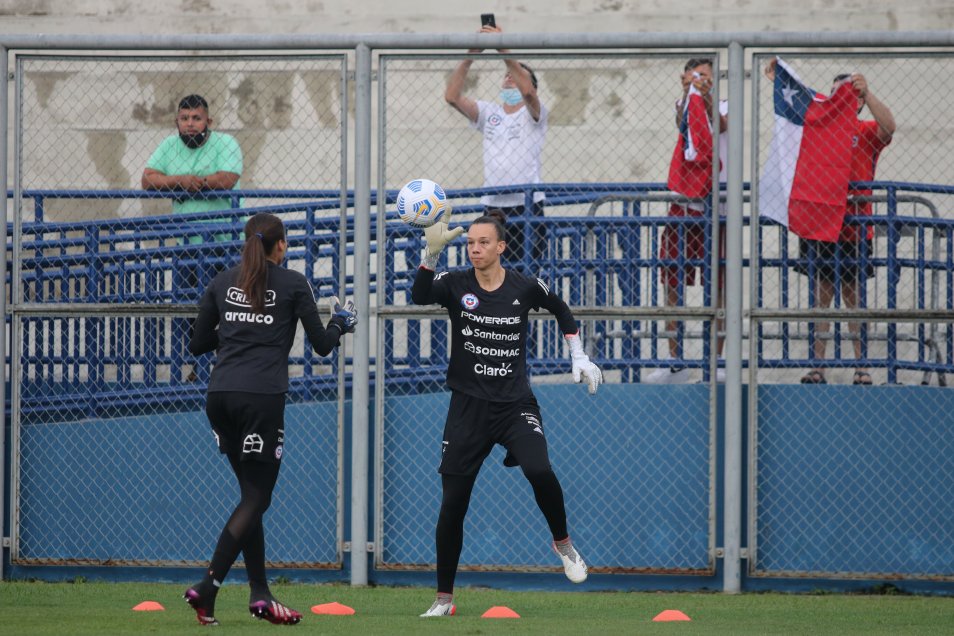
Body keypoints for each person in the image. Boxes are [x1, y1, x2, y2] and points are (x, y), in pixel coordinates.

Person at [411, 208, 602, 617]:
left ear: (501, 246)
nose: (475, 249)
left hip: (514, 405)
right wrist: (430, 255)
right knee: (453, 504)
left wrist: (579, 355)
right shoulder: (456, 282)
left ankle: (563, 543)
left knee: (540, 470)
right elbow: (419, 295)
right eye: (470, 243)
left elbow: (561, 309)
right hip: (467, 408)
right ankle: (444, 598)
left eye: (483, 243)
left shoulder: (524, 286)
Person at [184, 212, 357, 626]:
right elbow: (321, 346)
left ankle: (260, 593)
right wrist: (341, 324)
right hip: (260, 399)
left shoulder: (221, 282)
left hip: (220, 396)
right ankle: (208, 586)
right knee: (258, 498)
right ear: (281, 245)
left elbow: (197, 343)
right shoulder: (294, 282)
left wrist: (233, 330)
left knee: (250, 494)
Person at [764, 61, 894, 385]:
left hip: (853, 228)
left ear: (858, 101)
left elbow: (889, 127)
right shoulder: (818, 130)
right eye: (835, 94)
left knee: (853, 299)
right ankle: (817, 365)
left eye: (848, 95)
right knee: (821, 298)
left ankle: (861, 366)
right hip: (820, 225)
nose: (841, 100)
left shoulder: (864, 132)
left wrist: (869, 92)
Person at [648, 58, 727, 384]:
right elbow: (684, 123)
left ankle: (718, 361)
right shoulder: (684, 101)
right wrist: (689, 94)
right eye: (696, 76)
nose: (701, 80)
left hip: (716, 208)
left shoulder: (724, 102)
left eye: (706, 75)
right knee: (672, 281)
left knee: (720, 286)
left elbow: (721, 124)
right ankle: (675, 359)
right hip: (684, 204)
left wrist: (704, 95)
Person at [444, 23, 548, 271]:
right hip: (493, 205)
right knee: (491, 270)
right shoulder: (489, 112)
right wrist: (471, 54)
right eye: (506, 75)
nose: (509, 77)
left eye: (517, 75)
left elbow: (530, 94)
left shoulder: (535, 112)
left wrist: (504, 50)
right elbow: (452, 96)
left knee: (525, 272)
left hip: (527, 205)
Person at [142, 93, 243, 234]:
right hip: (185, 240)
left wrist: (194, 183)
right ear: (176, 122)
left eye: (196, 118)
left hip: (225, 239)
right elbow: (147, 179)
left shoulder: (226, 142)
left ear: (209, 122)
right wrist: (180, 181)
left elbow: (227, 179)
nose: (190, 124)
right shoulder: (168, 145)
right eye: (184, 118)